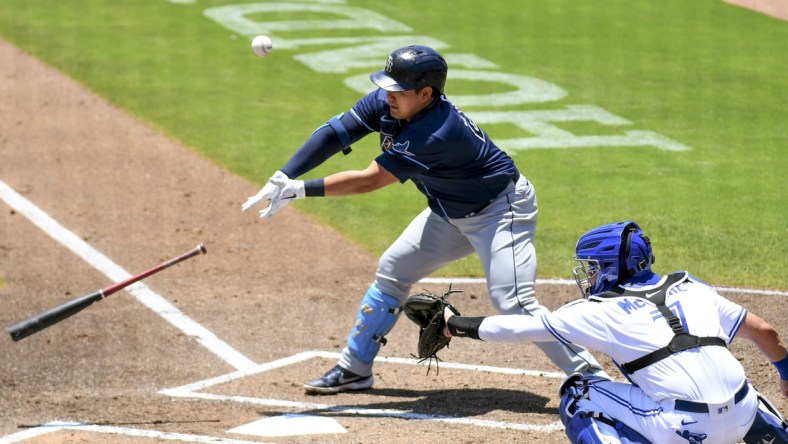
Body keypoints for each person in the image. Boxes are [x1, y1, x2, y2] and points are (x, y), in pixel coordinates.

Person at [241, 45, 605, 394]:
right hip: (449, 210)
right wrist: (284, 174)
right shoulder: (390, 104)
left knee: (513, 302)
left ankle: (592, 377)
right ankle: (355, 369)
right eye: (386, 87)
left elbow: (371, 180)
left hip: (500, 212)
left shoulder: (435, 132)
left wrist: (301, 190)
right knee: (393, 269)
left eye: (399, 90)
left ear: (426, 93)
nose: (388, 96)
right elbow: (336, 134)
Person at [442, 220, 788, 444]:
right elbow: (765, 332)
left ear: (610, 268)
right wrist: (785, 374)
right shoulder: (693, 288)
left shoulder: (599, 311)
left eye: (591, 269)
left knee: (579, 391)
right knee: (730, 377)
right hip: (741, 419)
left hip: (682, 431)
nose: (588, 277)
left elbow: (518, 328)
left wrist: (454, 324)